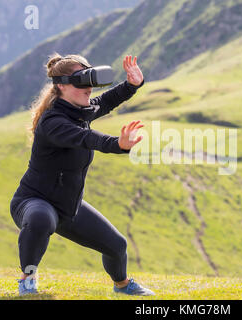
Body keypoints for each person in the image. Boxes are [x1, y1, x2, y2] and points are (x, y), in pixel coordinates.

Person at [9, 53, 155, 296]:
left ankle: (122, 285)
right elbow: (85, 138)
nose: (88, 88)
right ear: (62, 85)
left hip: (68, 207)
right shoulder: (53, 121)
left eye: (90, 80)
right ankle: (28, 278)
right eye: (81, 81)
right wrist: (117, 144)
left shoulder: (80, 110)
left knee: (117, 246)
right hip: (33, 202)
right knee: (41, 219)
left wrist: (132, 84)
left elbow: (107, 100)